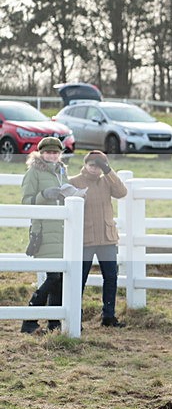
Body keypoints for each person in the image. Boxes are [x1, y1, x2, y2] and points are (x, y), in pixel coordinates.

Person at [69, 150, 128, 327]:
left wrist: (108, 171)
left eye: (99, 166)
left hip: (107, 238)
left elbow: (122, 192)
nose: (95, 170)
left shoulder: (107, 181)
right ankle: (75, 316)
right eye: (92, 165)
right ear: (85, 164)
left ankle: (108, 316)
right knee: (80, 278)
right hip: (85, 238)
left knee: (111, 277)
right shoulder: (74, 182)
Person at [20, 137, 70, 333]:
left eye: (55, 152)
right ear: (41, 153)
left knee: (59, 278)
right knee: (54, 277)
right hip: (44, 231)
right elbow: (26, 202)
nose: (52, 155)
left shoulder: (62, 172)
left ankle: (53, 323)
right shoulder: (33, 172)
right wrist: (44, 195)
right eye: (48, 152)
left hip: (63, 230)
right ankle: (29, 320)